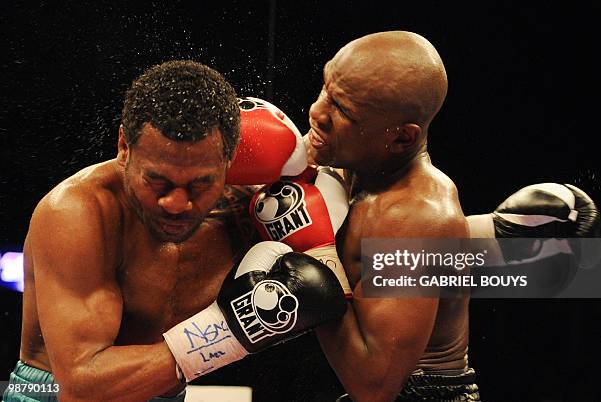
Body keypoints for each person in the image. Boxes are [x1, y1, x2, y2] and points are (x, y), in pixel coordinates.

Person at [3, 60, 347, 402]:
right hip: (51, 391)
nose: (177, 203)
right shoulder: (80, 212)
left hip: (167, 391)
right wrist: (233, 329)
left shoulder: (262, 205)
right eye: (157, 179)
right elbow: (81, 385)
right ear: (124, 147)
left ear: (229, 158)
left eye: (201, 183)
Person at [303, 31, 601, 402]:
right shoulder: (344, 154)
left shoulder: (418, 215)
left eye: (343, 110)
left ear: (402, 139)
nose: (317, 112)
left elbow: (374, 387)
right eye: (325, 89)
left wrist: (314, 257)